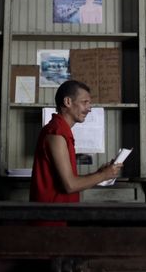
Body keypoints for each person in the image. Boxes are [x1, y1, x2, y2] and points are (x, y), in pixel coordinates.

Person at [30, 81, 122, 223]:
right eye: (84, 102)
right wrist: (104, 175)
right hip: (49, 221)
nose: (89, 108)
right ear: (67, 102)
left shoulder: (62, 131)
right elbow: (70, 185)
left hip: (58, 217)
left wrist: (100, 173)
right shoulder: (56, 133)